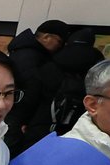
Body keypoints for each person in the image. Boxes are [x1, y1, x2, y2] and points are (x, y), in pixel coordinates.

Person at [26, 27, 104, 148]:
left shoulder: (54, 58)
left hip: (44, 120)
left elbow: (35, 92)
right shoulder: (97, 62)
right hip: (75, 122)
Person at [4, 19, 68, 153]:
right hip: (16, 117)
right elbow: (31, 91)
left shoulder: (21, 51)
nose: (60, 47)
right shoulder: (33, 58)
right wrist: (27, 121)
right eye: (59, 42)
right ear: (46, 37)